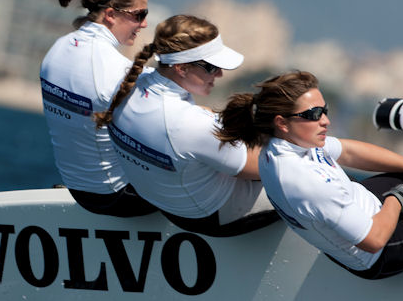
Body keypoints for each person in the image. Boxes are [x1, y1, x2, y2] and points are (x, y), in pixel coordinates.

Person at [215, 70, 403, 279]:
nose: (325, 121)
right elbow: (373, 240)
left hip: (365, 212)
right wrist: (398, 200)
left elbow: (350, 152)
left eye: (324, 110)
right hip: (381, 254)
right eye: (314, 114)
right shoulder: (302, 180)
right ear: (282, 123)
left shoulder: (286, 144)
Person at [94, 15, 279, 237]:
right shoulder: (190, 124)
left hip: (166, 202)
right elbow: (266, 166)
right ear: (181, 67)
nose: (219, 74)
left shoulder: (130, 83)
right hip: (208, 219)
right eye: (211, 67)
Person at [40, 0, 160, 217]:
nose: (145, 23)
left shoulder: (57, 49)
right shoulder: (117, 71)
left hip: (77, 189)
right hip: (115, 200)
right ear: (110, 15)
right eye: (140, 14)